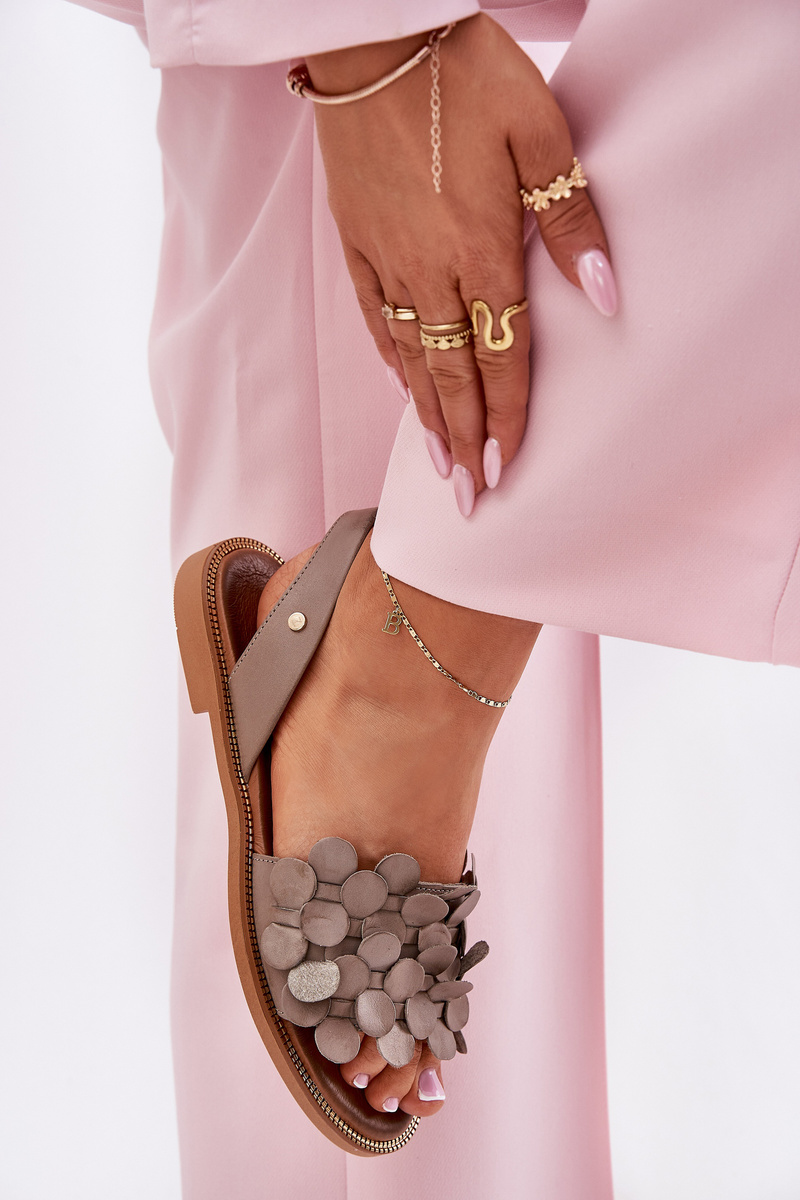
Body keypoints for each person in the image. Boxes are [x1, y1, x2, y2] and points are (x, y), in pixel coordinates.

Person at [66, 0, 800, 1196]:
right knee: (414, 1140)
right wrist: (373, 45)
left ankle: (420, 631)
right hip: (391, 76)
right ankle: (400, 664)